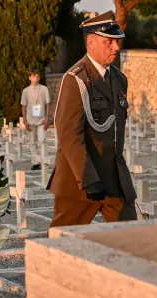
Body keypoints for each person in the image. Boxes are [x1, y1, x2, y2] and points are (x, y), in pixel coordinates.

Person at [50, 13, 138, 226]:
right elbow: (69, 135)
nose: (116, 47)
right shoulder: (75, 80)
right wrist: (88, 179)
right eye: (108, 42)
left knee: (131, 238)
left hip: (115, 178)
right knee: (63, 243)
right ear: (91, 42)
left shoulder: (119, 79)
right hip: (81, 180)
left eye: (116, 41)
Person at [17, 69, 52, 168]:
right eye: (33, 76)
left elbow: (48, 104)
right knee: (32, 142)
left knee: (42, 141)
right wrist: (24, 120)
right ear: (29, 77)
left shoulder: (44, 89)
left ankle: (43, 160)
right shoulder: (26, 91)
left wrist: (47, 118)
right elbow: (23, 105)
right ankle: (36, 162)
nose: (36, 79)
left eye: (37, 76)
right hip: (31, 119)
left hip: (41, 120)